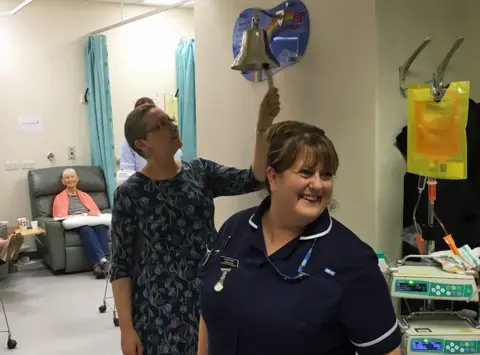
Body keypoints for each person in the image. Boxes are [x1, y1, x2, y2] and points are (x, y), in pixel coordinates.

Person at [198, 121, 402, 355]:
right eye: (306, 172)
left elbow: (387, 352)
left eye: (326, 175)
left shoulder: (352, 260)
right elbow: (209, 312)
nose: (317, 185)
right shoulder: (235, 229)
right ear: (273, 177)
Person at [111, 87, 280, 355]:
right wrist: (126, 330)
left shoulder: (200, 171)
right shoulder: (129, 193)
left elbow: (254, 178)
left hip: (208, 295)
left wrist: (262, 127)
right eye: (161, 125)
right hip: (157, 309)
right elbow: (120, 267)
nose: (171, 127)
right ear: (141, 144)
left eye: (170, 120)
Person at [52, 168, 110, 279]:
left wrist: (93, 213)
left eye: (72, 177)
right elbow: (59, 216)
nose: (70, 179)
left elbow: (95, 211)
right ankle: (104, 260)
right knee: (86, 229)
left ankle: (98, 265)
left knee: (101, 226)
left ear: (77, 179)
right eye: (67, 178)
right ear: (63, 181)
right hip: (76, 223)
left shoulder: (85, 195)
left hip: (88, 219)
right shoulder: (59, 198)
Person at [119, 97, 182, 171]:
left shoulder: (191, 171)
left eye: (170, 120)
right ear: (141, 144)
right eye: (159, 125)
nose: (174, 127)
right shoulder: (128, 144)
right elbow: (126, 172)